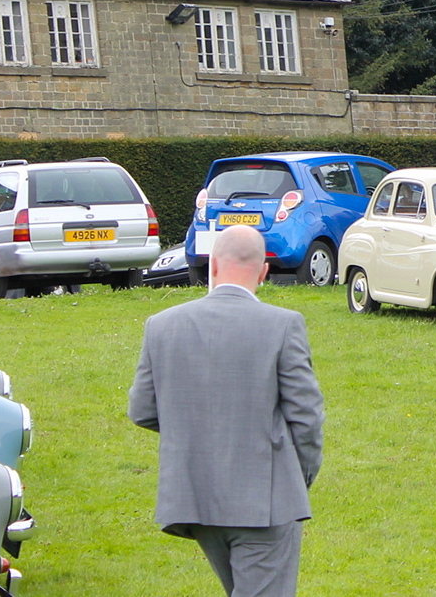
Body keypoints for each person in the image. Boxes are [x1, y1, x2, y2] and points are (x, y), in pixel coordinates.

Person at [127, 225, 325, 597]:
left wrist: (195, 431)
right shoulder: (283, 325)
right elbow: (307, 417)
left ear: (212, 265)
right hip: (266, 502)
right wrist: (300, 477)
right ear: (264, 272)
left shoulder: (162, 325)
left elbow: (142, 410)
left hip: (196, 498)